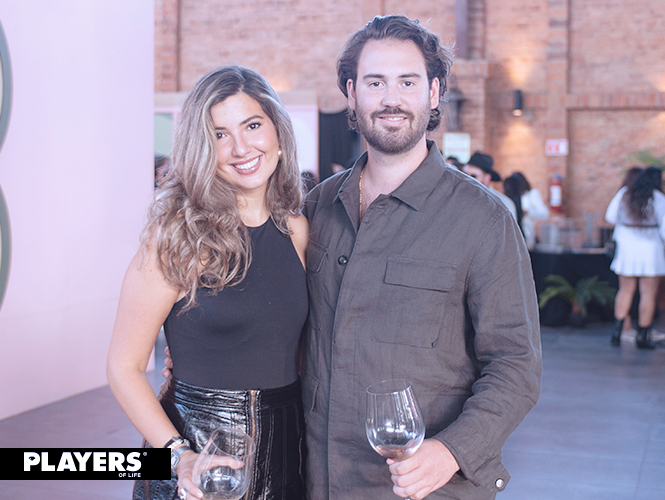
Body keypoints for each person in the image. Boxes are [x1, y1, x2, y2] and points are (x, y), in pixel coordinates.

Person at [302, 15, 541, 500]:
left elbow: (516, 364)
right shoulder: (317, 207)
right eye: (375, 82)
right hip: (316, 480)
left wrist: (451, 451)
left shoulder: (484, 219)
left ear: (433, 93)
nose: (391, 99)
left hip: (424, 488)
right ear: (351, 94)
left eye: (407, 82)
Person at [107, 65, 309, 500]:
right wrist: (179, 455)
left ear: (277, 130)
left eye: (252, 125)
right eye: (219, 134)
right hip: (198, 451)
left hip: (288, 449)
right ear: (201, 147)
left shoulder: (298, 230)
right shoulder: (176, 238)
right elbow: (123, 367)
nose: (241, 148)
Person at [606, 166, 665, 349]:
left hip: (627, 249)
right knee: (648, 293)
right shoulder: (658, 198)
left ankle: (617, 332)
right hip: (651, 250)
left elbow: (610, 217)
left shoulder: (624, 194)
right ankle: (643, 335)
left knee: (625, 290)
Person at [463, 152, 518, 220]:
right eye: (465, 174)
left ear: (487, 178)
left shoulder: (503, 204)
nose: (468, 179)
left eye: (474, 176)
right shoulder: (461, 198)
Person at [507, 172, 549, 250]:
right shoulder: (511, 197)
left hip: (527, 231)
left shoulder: (532, 194)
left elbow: (544, 213)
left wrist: (527, 212)